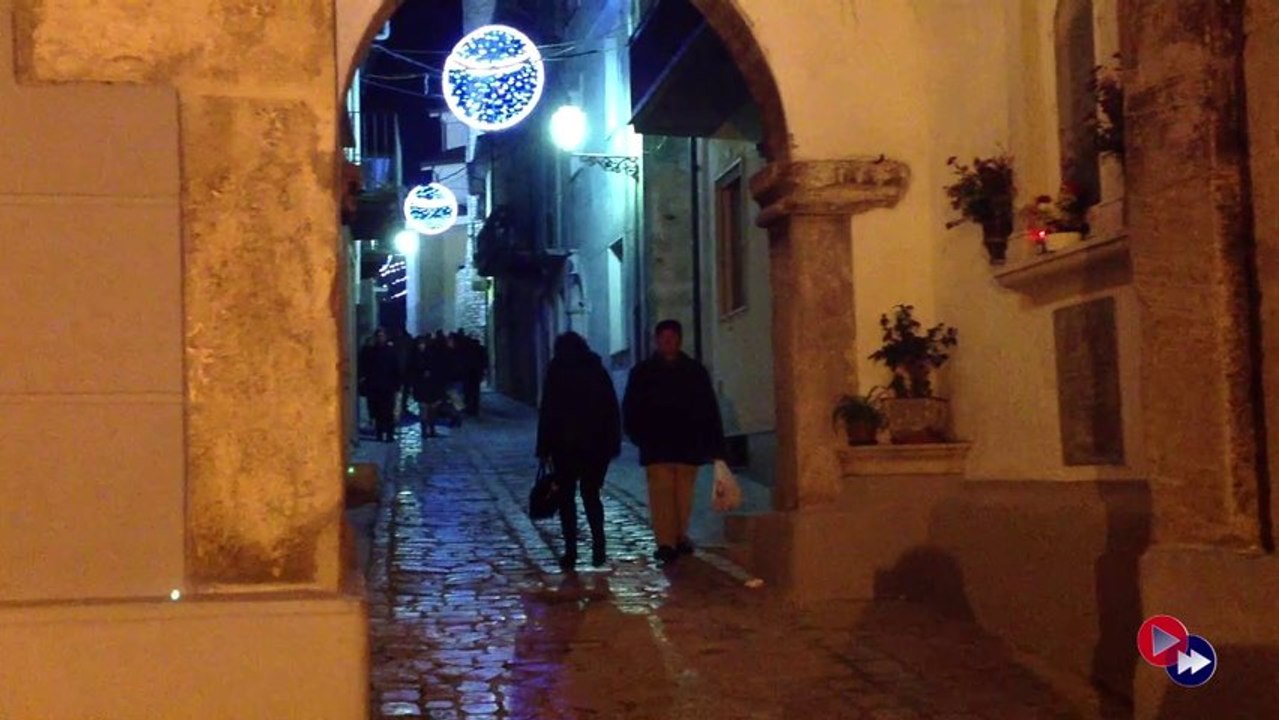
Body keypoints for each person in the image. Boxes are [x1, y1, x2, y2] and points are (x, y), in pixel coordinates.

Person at [622, 319, 726, 564]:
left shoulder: (694, 371)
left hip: (687, 445)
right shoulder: (643, 372)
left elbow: (708, 408)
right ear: (656, 341)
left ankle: (679, 536)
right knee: (661, 496)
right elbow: (631, 407)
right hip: (656, 445)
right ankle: (666, 542)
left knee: (683, 497)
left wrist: (713, 443)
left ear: (679, 340)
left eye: (672, 338)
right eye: (663, 338)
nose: (668, 342)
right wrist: (638, 435)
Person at [536, 332, 622, 571]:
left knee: (566, 499)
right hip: (595, 445)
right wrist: (613, 442)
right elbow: (610, 406)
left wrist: (543, 447)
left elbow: (548, 410)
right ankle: (598, 546)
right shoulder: (596, 369)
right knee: (591, 495)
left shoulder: (557, 371)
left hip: (565, 446)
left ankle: (571, 551)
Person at [358, 327, 402, 443]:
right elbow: (365, 368)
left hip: (388, 387)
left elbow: (396, 369)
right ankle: (380, 433)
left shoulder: (391, 352)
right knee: (377, 412)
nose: (380, 338)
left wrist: (397, 385)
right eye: (379, 336)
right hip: (375, 387)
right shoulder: (370, 352)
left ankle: (389, 434)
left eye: (382, 336)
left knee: (388, 412)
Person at [407, 334, 446, 438]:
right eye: (420, 344)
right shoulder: (414, 356)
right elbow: (411, 371)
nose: (421, 346)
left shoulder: (431, 355)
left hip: (431, 386)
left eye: (422, 344)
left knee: (431, 409)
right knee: (424, 409)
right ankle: (425, 430)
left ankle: (431, 429)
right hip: (421, 386)